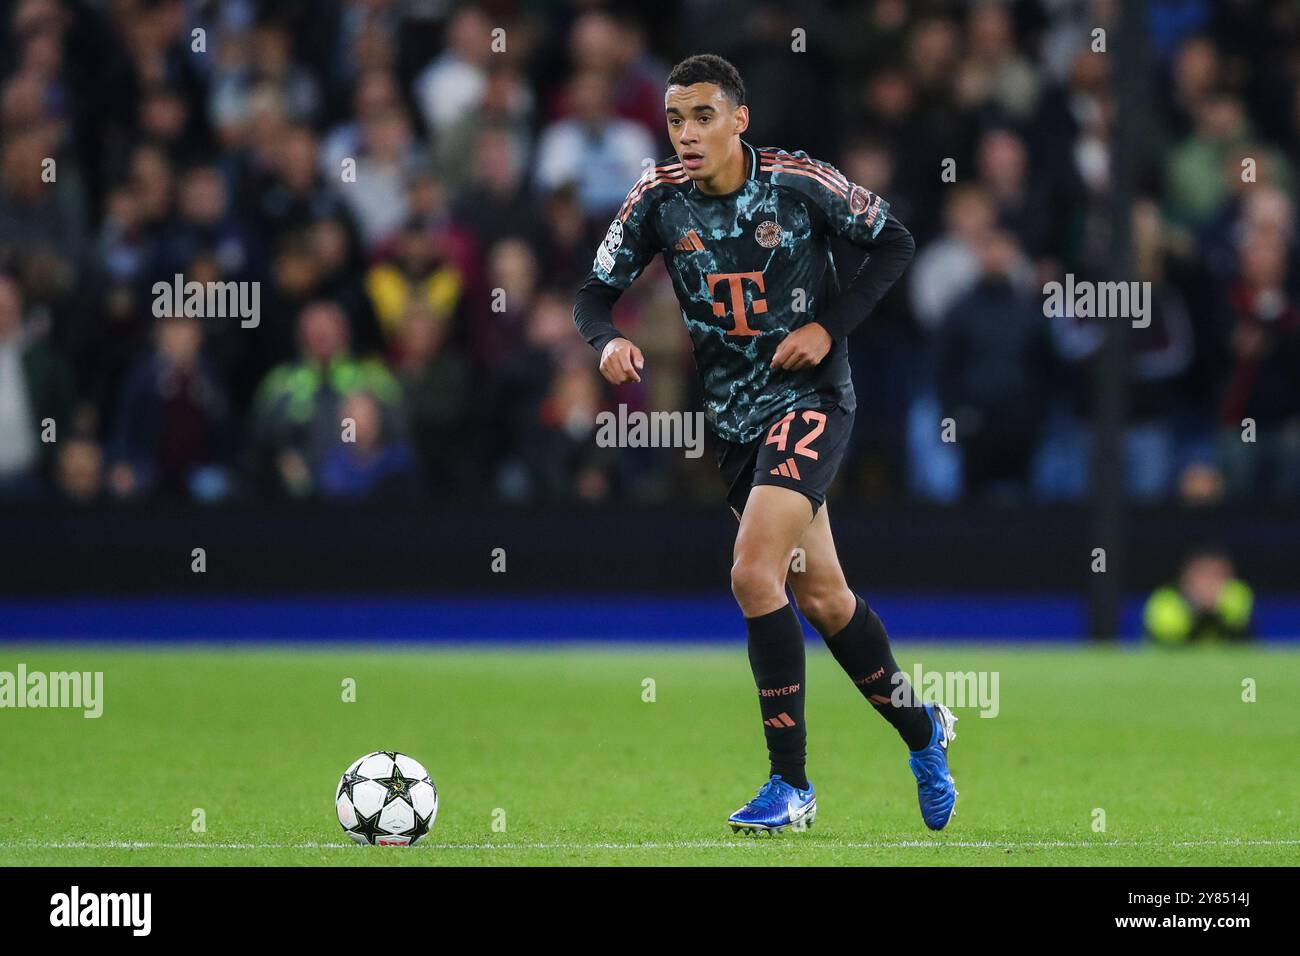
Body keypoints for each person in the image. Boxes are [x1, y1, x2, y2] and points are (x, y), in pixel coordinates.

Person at [572, 54, 957, 834]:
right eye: (676, 118)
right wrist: (605, 341)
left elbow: (895, 243)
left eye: (703, 116)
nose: (686, 133)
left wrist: (827, 326)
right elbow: (593, 292)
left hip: (812, 400)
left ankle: (793, 788)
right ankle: (925, 731)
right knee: (824, 598)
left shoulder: (797, 182)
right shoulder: (656, 200)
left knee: (753, 573)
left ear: (739, 118)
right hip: (738, 422)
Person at [1144, 550, 1254, 645]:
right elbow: (1168, 636)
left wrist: (1217, 609)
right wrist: (1194, 608)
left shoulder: (1238, 592)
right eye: (1203, 576)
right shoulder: (1166, 597)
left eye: (1216, 576)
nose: (1209, 584)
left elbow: (1238, 625)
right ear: (1186, 577)